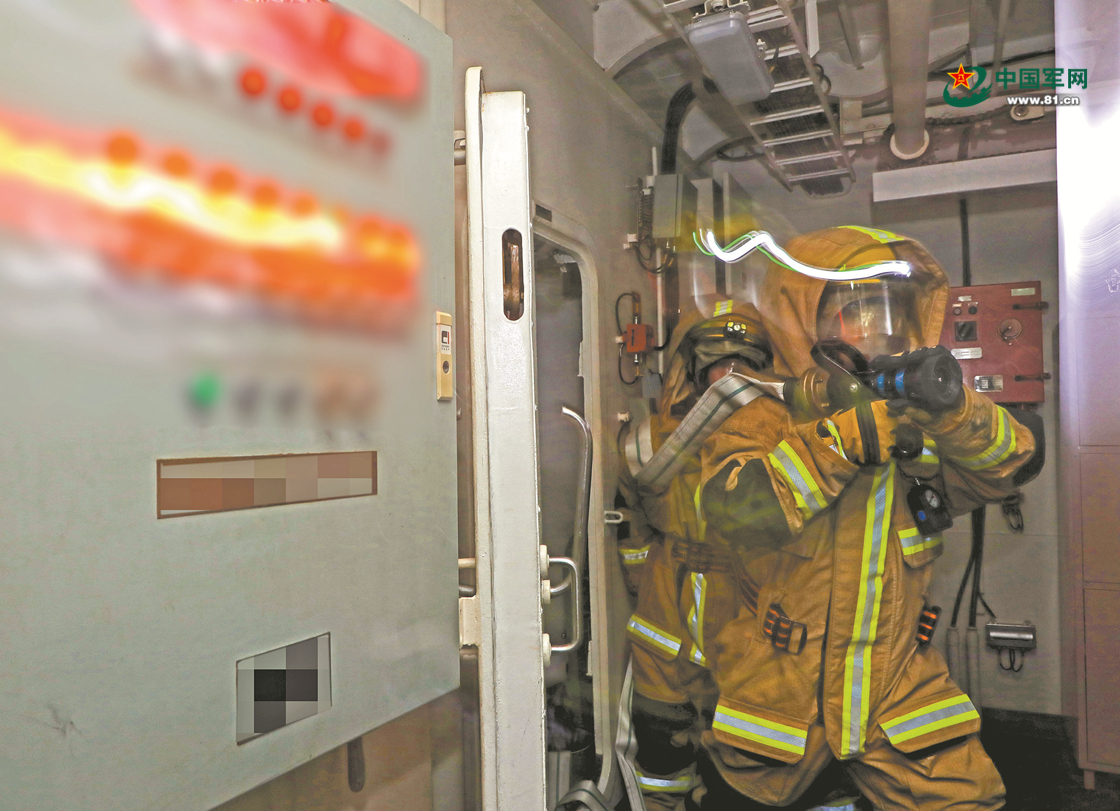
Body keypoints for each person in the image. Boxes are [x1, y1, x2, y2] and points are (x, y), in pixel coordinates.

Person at [692, 226, 1042, 810]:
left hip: (897, 687)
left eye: (891, 312)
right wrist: (838, 442)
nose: (880, 330)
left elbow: (1012, 464)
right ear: (803, 320)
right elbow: (736, 513)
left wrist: (954, 412)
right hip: (780, 694)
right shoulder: (760, 418)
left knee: (965, 798)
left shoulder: (921, 426)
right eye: (857, 311)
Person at [614, 300, 780, 811]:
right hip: (667, 608)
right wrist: (643, 580)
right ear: (692, 370)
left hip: (749, 606)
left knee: (748, 744)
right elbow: (630, 517)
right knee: (661, 738)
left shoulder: (785, 434)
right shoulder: (650, 440)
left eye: (745, 363)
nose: (732, 376)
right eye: (719, 363)